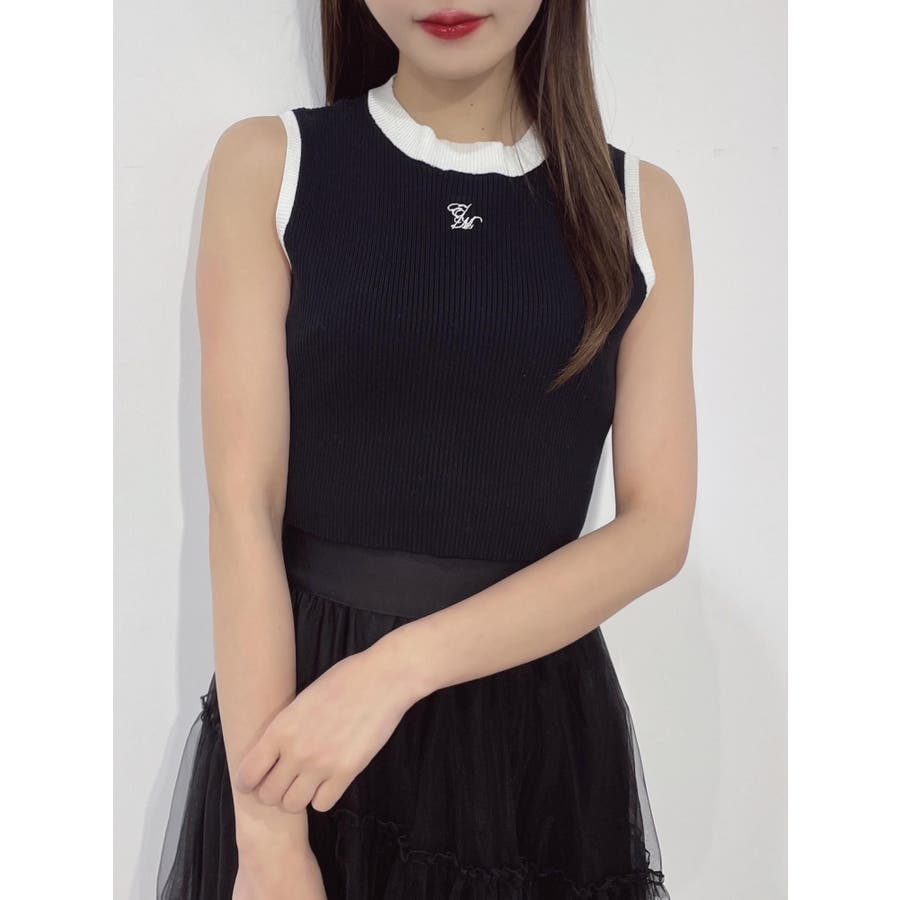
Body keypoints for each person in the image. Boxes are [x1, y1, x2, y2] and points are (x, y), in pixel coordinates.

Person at [156, 2, 696, 898]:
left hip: (529, 740)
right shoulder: (273, 164)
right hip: (297, 726)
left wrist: (394, 672)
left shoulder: (638, 204)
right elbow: (242, 504)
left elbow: (657, 527)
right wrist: (269, 834)